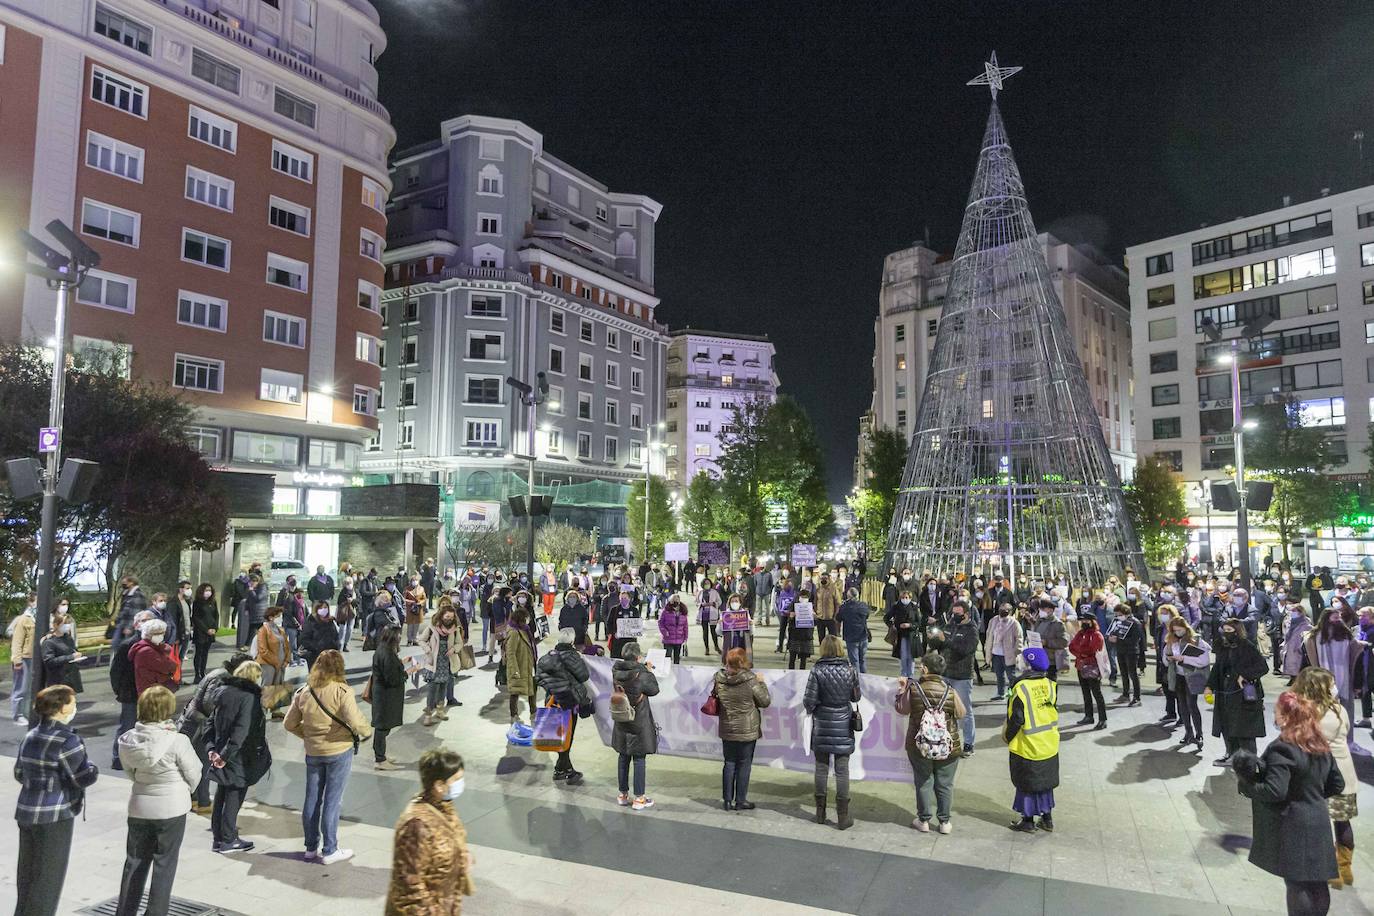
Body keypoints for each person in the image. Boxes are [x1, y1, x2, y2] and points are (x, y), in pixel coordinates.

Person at [1232, 692, 1344, 916]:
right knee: (1317, 883)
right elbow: (1337, 784)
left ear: (1285, 716)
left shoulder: (1283, 747)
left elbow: (1275, 790)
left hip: (1295, 826)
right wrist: (1311, 798)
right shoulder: (1318, 742)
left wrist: (1245, 787)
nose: (1274, 715)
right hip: (1319, 821)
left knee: (1297, 884)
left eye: (1276, 711)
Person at [14, 685, 99, 916]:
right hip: (55, 816)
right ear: (60, 709)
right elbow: (82, 777)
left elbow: (19, 773)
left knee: (27, 878)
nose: (75, 707)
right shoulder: (67, 739)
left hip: (26, 812)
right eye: (72, 703)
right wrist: (93, 768)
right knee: (47, 882)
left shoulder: (31, 735)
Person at [115, 685, 199, 916]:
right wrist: (183, 790)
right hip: (171, 808)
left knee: (134, 862)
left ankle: (124, 911)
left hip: (140, 806)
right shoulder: (177, 740)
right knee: (164, 864)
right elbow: (194, 773)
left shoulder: (127, 740)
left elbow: (130, 772)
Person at [284, 649, 371, 865]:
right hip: (339, 751)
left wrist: (308, 735)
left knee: (312, 800)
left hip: (313, 753)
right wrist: (366, 731)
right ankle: (330, 850)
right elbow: (354, 719)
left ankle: (310, 847)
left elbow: (289, 723)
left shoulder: (304, 692)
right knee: (333, 800)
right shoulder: (342, 691)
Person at [384, 748, 472, 915]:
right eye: (457, 779)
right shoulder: (416, 825)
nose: (461, 783)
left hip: (444, 905)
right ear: (439, 785)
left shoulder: (443, 806)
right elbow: (409, 886)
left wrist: (461, 855)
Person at [1292, 668, 1357, 890]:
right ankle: (1344, 869)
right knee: (1342, 822)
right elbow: (1346, 731)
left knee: (1318, 824)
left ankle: (1326, 869)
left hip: (1319, 778)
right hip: (1345, 774)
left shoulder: (1305, 713)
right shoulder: (1340, 710)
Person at [895, 650, 965, 833]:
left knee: (924, 781)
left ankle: (923, 820)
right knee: (945, 783)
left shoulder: (915, 689)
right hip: (948, 746)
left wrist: (901, 689)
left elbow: (902, 709)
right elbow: (961, 713)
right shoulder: (950, 691)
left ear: (925, 669)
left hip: (920, 745)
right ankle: (944, 823)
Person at [207, 660, 271, 853]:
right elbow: (241, 731)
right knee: (234, 795)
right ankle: (228, 840)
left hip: (221, 750)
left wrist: (212, 749)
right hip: (238, 755)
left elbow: (211, 723)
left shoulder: (222, 691)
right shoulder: (248, 697)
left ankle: (219, 838)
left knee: (221, 795)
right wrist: (226, 755)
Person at [179, 652, 250, 813]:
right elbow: (209, 703)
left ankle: (196, 798)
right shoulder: (222, 677)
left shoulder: (220, 673)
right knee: (203, 763)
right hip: (200, 724)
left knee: (198, 762)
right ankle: (202, 801)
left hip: (197, 722)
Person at [803, 635, 860, 829]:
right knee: (842, 771)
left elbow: (808, 701)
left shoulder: (817, 670)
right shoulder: (850, 670)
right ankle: (843, 817)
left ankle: (820, 813)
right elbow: (856, 697)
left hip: (822, 723)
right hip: (843, 723)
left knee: (821, 768)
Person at [1006, 647, 1060, 833]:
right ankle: (1047, 819)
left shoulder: (1020, 688)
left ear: (1028, 665)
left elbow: (1017, 719)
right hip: (1049, 742)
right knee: (1045, 784)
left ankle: (1028, 821)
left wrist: (1007, 737)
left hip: (1028, 744)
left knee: (1026, 785)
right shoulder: (1051, 685)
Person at [714, 647, 771, 811]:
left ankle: (726, 800)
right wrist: (762, 683)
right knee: (744, 764)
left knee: (729, 763)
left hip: (727, 728)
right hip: (747, 730)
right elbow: (765, 701)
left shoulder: (719, 680)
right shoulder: (751, 680)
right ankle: (740, 800)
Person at [1206, 619, 1269, 766]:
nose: (1226, 634)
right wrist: (1209, 685)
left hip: (1244, 693)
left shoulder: (1247, 646)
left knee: (1245, 728)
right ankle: (1232, 754)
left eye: (1230, 630)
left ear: (1237, 631)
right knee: (1227, 725)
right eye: (1224, 630)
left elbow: (1262, 667)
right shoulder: (1222, 646)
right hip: (1225, 692)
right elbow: (1217, 667)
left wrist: (1245, 674)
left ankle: (1249, 760)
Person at [535, 627, 593, 783]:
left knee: (558, 735)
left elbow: (538, 678)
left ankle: (561, 769)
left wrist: (553, 687)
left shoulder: (547, 657)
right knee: (567, 736)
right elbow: (583, 675)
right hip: (569, 701)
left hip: (553, 700)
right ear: (572, 641)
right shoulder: (572, 656)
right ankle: (565, 770)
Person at [611, 642, 660, 810]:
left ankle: (623, 795)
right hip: (639, 719)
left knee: (623, 756)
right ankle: (639, 798)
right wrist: (648, 670)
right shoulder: (642, 674)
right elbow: (653, 690)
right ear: (638, 657)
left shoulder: (615, 670)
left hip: (621, 718)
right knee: (639, 758)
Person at [932, 600, 979, 755]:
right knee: (944, 710)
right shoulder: (950, 625)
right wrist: (935, 639)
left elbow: (966, 650)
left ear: (966, 614)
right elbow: (939, 646)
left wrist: (947, 641)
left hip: (962, 676)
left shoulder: (972, 630)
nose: (955, 616)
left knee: (964, 711)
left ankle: (968, 743)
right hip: (945, 674)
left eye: (958, 614)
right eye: (953, 613)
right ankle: (946, 739)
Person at [1166, 618, 1211, 752]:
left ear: (1185, 628)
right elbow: (1166, 656)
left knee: (1192, 705)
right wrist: (1168, 657)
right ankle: (1188, 733)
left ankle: (1199, 734)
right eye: (1175, 631)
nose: (1177, 633)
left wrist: (1184, 658)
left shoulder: (1196, 640)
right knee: (1182, 706)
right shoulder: (1171, 640)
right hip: (1178, 676)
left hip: (1191, 677)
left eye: (1179, 630)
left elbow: (1204, 660)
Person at [369, 626, 410, 771]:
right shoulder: (386, 653)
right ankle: (380, 759)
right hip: (385, 696)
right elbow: (392, 678)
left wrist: (401, 662)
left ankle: (381, 755)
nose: (400, 638)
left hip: (383, 695)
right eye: (399, 635)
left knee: (383, 726)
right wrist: (408, 672)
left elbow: (388, 668)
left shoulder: (383, 649)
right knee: (382, 727)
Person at [417, 605, 463, 728]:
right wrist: (428, 650)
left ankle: (440, 711)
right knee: (432, 690)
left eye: (452, 617)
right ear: (442, 615)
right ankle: (428, 715)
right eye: (447, 617)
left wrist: (453, 649)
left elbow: (459, 643)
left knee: (443, 687)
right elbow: (421, 640)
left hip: (447, 663)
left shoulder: (455, 629)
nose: (449, 619)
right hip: (434, 663)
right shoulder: (432, 627)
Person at [502, 606, 538, 736]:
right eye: (526, 618)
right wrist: (514, 670)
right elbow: (510, 653)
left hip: (528, 665)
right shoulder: (514, 632)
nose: (528, 620)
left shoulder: (525, 630)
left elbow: (530, 645)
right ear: (521, 619)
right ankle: (514, 715)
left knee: (532, 688)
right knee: (515, 691)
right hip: (519, 667)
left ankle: (533, 711)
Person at [1069, 611, 1108, 730]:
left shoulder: (1097, 635)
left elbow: (1093, 650)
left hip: (1092, 667)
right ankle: (1088, 716)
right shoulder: (1080, 633)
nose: (1084, 622)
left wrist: (1081, 653)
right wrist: (1081, 654)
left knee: (1097, 693)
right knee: (1085, 692)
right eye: (1083, 620)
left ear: (1092, 622)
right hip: (1081, 665)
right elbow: (1072, 646)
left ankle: (1103, 719)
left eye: (1086, 620)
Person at [1107, 599, 1144, 706]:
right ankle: (1125, 694)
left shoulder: (1135, 623)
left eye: (1119, 614)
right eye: (1116, 615)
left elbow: (1135, 640)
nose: (1118, 616)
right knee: (1123, 674)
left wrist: (1118, 640)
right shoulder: (1118, 622)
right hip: (1120, 650)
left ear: (1126, 613)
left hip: (1131, 652)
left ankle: (1137, 697)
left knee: (1133, 674)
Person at [39, 610, 85, 694]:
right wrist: (70, 657)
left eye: (68, 624)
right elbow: (49, 661)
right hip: (58, 677)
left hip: (71, 674)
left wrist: (78, 656)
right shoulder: (49, 642)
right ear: (56, 624)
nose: (67, 626)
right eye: (64, 624)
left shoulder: (68, 638)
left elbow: (73, 651)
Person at [984, 602, 1023, 701]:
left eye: (1005, 610)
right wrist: (987, 647)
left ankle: (1013, 694)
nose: (1002, 611)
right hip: (996, 653)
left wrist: (1016, 651)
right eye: (1001, 609)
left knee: (1011, 676)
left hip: (1009, 654)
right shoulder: (993, 620)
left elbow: (1019, 638)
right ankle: (1000, 693)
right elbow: (989, 634)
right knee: (999, 675)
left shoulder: (1014, 623)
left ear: (1010, 612)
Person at [10, 594, 37, 726]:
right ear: (31, 603)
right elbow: (17, 641)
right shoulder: (24, 620)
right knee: (21, 688)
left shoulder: (40, 618)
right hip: (25, 658)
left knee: (31, 688)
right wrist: (17, 660)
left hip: (35, 657)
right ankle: (17, 715)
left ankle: (27, 713)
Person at [252, 606, 290, 689]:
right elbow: (263, 650)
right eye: (278, 616)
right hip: (268, 663)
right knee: (267, 686)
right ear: (270, 617)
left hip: (281, 663)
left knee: (278, 687)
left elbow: (287, 646)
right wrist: (276, 662)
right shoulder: (263, 630)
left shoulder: (281, 630)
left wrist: (287, 660)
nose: (280, 618)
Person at [836, 587, 872, 673]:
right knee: (862, 660)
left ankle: (857, 681)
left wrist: (838, 631)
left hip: (851, 636)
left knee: (854, 661)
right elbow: (867, 615)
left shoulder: (844, 607)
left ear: (848, 596)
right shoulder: (863, 605)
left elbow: (838, 618)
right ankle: (864, 679)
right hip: (863, 635)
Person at [190, 583, 219, 683]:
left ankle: (203, 672)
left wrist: (215, 628)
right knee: (199, 653)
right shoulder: (197, 602)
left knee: (205, 653)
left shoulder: (213, 602)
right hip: (201, 632)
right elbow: (196, 618)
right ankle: (197, 674)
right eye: (206, 590)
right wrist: (206, 629)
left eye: (210, 590)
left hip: (211, 631)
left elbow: (216, 616)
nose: (208, 592)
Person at [301, 601, 340, 670]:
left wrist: (335, 646)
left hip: (330, 656)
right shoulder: (310, 622)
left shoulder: (330, 621)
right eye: (321, 608)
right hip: (315, 657)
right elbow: (304, 639)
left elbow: (336, 636)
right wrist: (317, 648)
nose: (324, 610)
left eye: (325, 607)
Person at [657, 593, 690, 663]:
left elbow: (685, 626)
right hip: (668, 639)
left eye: (677, 599)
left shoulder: (683, 611)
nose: (675, 601)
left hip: (679, 639)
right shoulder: (665, 611)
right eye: (673, 599)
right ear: (670, 601)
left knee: (677, 659)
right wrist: (664, 632)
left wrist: (685, 638)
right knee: (667, 659)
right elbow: (660, 623)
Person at [697, 578, 722, 654]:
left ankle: (716, 646)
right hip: (703, 613)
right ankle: (706, 648)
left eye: (708, 583)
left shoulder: (714, 592)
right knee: (705, 632)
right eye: (705, 583)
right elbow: (696, 601)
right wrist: (701, 604)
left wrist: (713, 604)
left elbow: (719, 601)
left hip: (712, 613)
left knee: (713, 631)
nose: (707, 585)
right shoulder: (700, 592)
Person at [404, 575, 427, 646]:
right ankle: (409, 640)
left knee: (417, 625)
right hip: (410, 609)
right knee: (410, 625)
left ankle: (415, 639)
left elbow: (424, 598)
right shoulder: (407, 589)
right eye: (413, 580)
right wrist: (411, 602)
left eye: (416, 580)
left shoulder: (421, 589)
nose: (415, 582)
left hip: (418, 609)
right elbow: (404, 599)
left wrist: (420, 603)